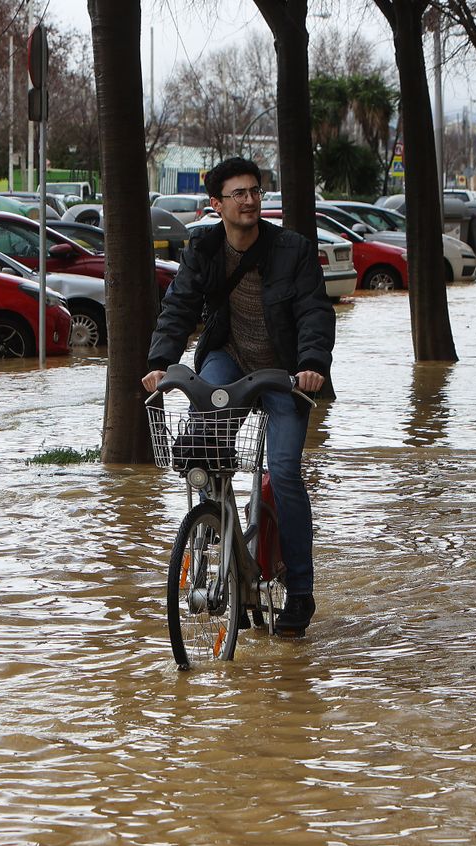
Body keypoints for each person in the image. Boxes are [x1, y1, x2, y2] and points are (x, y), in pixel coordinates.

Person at [142, 156, 335, 636]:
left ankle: (301, 593)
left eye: (255, 191)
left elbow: (314, 312)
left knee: (285, 469)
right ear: (217, 204)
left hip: (284, 372)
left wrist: (312, 365)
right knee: (202, 442)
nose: (250, 201)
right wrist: (160, 363)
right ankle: (218, 536)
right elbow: (179, 304)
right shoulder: (203, 248)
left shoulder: (292, 248)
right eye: (238, 194)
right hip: (228, 357)